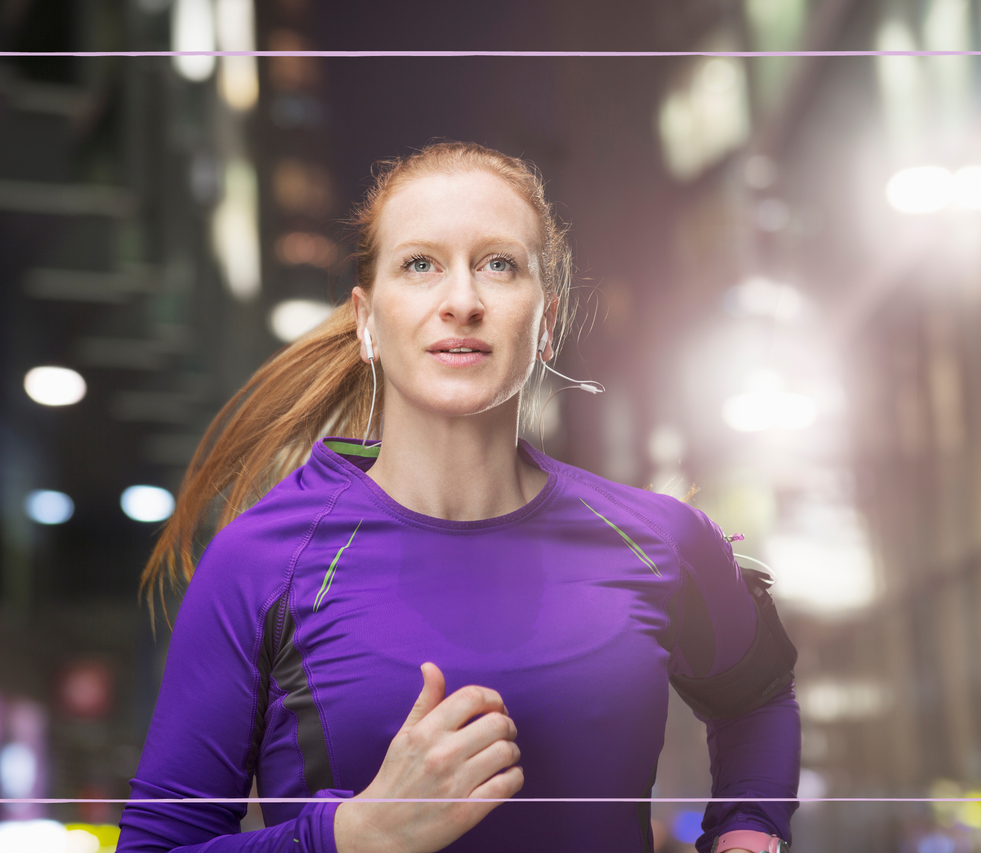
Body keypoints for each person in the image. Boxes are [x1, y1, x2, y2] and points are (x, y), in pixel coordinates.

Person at [115, 141, 801, 853]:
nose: (463, 302)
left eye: (499, 265)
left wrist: (749, 829)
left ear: (546, 322)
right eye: (420, 265)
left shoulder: (659, 537)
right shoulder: (263, 561)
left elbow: (759, 693)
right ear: (367, 321)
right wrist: (351, 836)